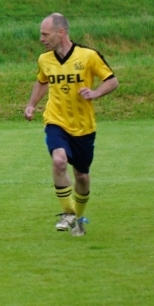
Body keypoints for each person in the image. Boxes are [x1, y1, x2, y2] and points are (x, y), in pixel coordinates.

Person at [23, 13, 119, 237]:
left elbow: (112, 81)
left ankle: (79, 219)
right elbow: (42, 82)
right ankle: (68, 212)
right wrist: (31, 105)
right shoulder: (44, 60)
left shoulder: (88, 56)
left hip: (84, 127)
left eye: (45, 34)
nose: (41, 39)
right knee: (59, 161)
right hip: (55, 120)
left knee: (82, 176)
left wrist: (95, 93)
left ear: (61, 32)